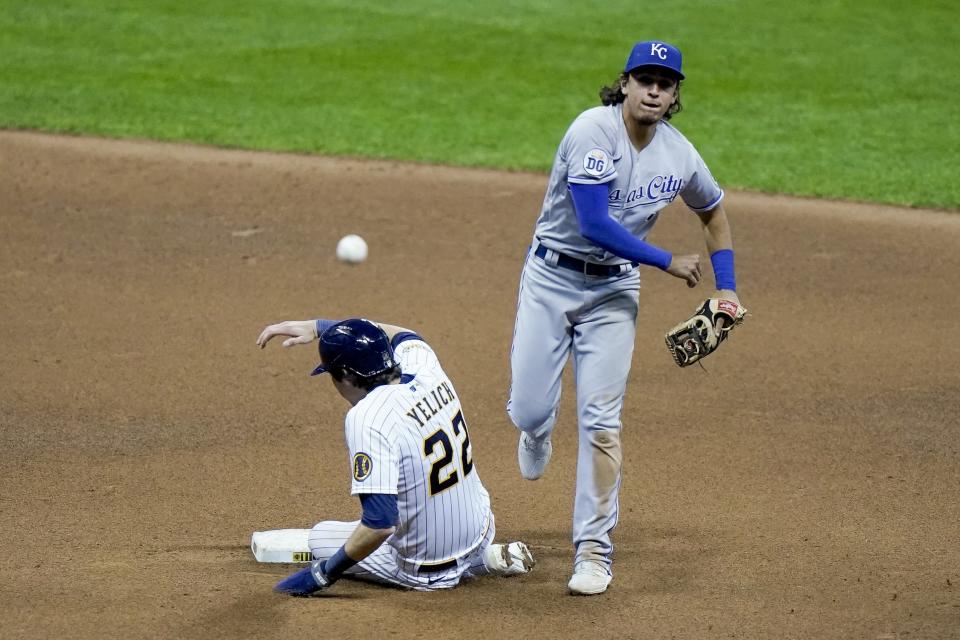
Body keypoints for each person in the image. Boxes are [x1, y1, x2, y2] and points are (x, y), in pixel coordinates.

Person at [507, 40, 742, 595]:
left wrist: (728, 290)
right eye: (645, 79)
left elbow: (714, 214)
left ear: (676, 93)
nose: (655, 90)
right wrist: (665, 260)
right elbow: (592, 222)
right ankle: (536, 429)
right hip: (551, 280)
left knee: (601, 421)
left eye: (666, 82)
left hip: (614, 292)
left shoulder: (681, 155)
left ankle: (593, 550)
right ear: (627, 83)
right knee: (529, 406)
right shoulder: (592, 131)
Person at [256, 317, 535, 594]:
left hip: (427, 569)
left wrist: (323, 575)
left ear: (347, 377)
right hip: (483, 528)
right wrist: (319, 327)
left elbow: (379, 525)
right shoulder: (425, 366)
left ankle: (474, 565)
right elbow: (404, 333)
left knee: (321, 539)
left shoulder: (368, 417)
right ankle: (482, 556)